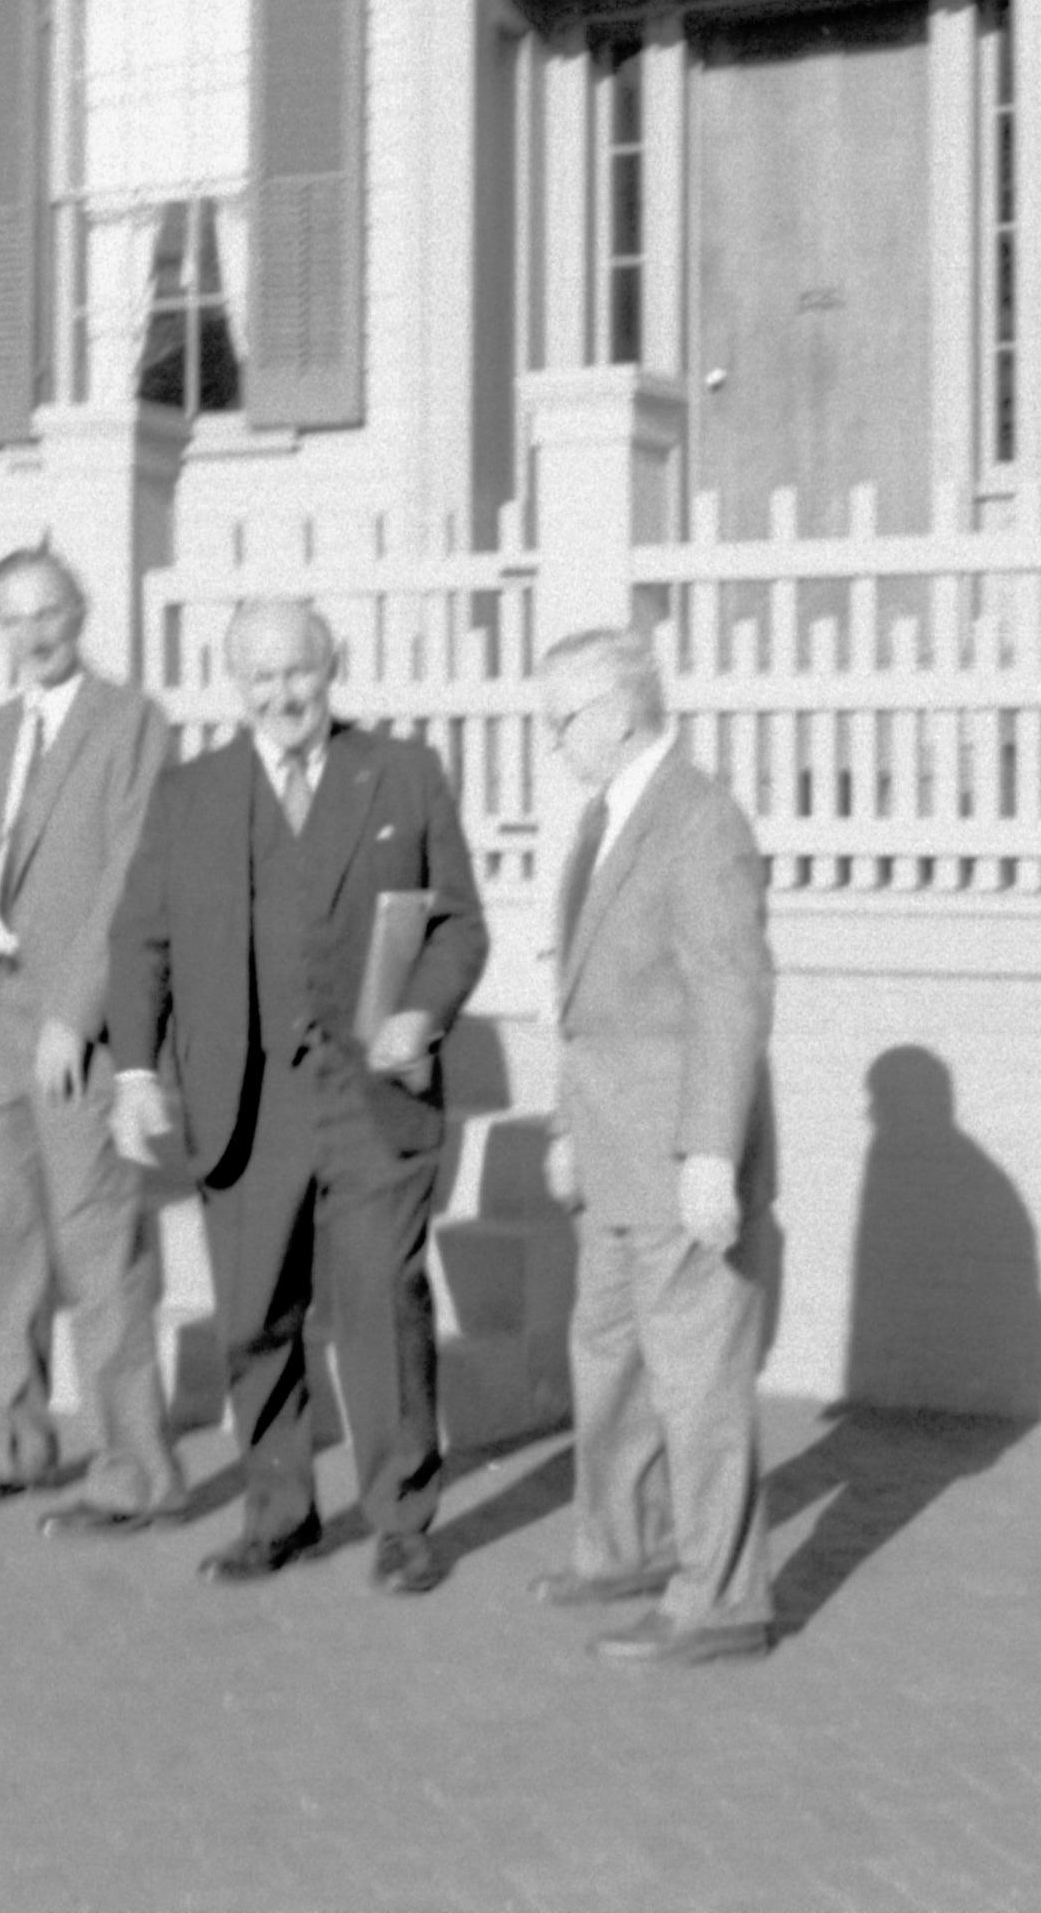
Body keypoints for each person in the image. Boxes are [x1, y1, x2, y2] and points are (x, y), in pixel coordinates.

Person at [105, 597, 488, 1594]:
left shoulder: (402, 772)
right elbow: (140, 941)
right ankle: (279, 1515)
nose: (283, 694)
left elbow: (459, 926)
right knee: (254, 1314)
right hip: (245, 1100)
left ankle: (403, 1518)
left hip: (373, 1098)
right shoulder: (190, 794)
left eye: (300, 673)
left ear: (334, 666)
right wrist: (137, 1071)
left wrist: (421, 1014)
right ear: (238, 687)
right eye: (262, 678)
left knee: (381, 1305)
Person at [531, 626, 777, 1663]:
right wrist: (564, 1127)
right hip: (611, 1152)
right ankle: (625, 1548)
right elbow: (594, 1000)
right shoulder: (608, 819)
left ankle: (719, 1600)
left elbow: (730, 990)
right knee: (611, 1359)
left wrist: (712, 1154)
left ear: (616, 711)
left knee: (696, 1381)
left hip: (678, 1159)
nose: (554, 743)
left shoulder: (698, 821)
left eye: (560, 721)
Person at [0, 548, 189, 1533]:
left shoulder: (131, 723)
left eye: (49, 612)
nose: (33, 632)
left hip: (74, 1016)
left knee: (96, 1247)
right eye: (13, 617)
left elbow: (132, 875)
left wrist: (75, 1018)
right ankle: (18, 1442)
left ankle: (139, 1473)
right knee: (5, 1244)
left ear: (81, 611)